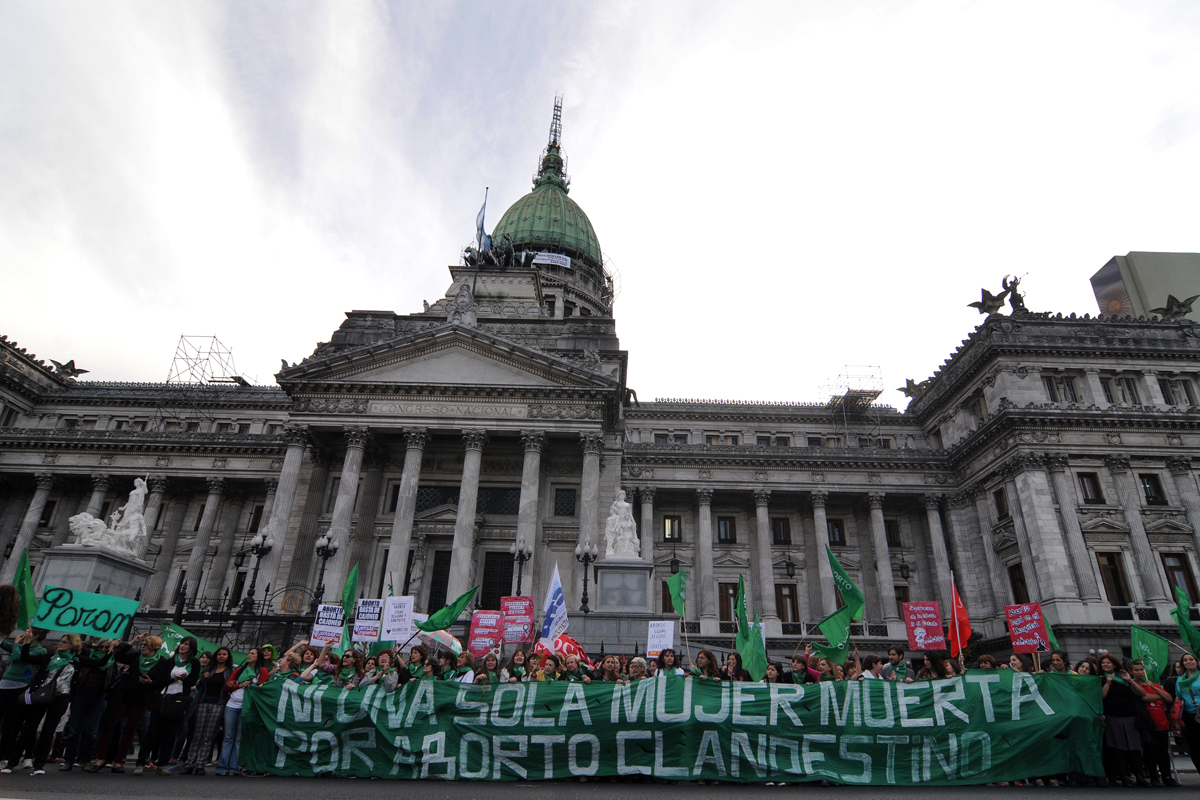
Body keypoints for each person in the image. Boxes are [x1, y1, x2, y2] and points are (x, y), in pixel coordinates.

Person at [88, 633, 164, 773]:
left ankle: (118, 761)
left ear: (154, 647)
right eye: (142, 644)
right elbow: (118, 656)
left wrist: (150, 682)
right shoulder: (136, 656)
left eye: (145, 645)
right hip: (124, 694)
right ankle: (102, 758)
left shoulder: (161, 661)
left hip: (142, 698)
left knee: (130, 729)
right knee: (110, 724)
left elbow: (162, 681)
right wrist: (132, 642)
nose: (142, 647)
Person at [12, 633, 80, 775]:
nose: (60, 643)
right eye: (60, 641)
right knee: (29, 728)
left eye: (64, 642)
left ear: (72, 645)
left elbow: (101, 662)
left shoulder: (76, 660)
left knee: (48, 732)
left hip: (61, 698)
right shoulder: (49, 657)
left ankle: (39, 765)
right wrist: (26, 643)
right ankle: (12, 762)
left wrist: (112, 647)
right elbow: (27, 658)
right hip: (43, 696)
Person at [135, 635, 200, 775]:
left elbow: (193, 681)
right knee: (153, 731)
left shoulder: (194, 663)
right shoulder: (170, 661)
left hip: (179, 700)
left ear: (191, 648)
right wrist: (172, 679)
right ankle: (141, 762)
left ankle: (163, 763)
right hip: (163, 698)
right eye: (182, 643)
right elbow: (160, 680)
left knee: (170, 733)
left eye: (186, 644)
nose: (183, 646)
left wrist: (184, 679)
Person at [0, 626, 51, 770]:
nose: (25, 633)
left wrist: (17, 644)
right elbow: (4, 644)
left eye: (29, 632)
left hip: (20, 687)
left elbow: (19, 656)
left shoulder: (39, 650)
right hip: (5, 685)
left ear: (35, 636)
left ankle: (4, 757)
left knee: (9, 724)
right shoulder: (20, 646)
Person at [61, 638, 116, 770]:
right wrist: (93, 644)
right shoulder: (87, 656)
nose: (102, 650)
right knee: (74, 730)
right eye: (100, 647)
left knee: (92, 731)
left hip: (98, 697)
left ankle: (86, 760)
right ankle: (69, 759)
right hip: (81, 694)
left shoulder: (110, 660)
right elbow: (81, 643)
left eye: (105, 647)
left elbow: (125, 647)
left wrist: (114, 646)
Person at [1099, 652, 1149, 787]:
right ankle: (1124, 776)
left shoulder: (1124, 678)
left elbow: (1142, 693)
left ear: (1114, 664)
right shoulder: (1101, 679)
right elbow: (1101, 697)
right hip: (1113, 718)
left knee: (1135, 749)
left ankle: (1139, 776)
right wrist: (1108, 684)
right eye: (1103, 663)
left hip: (1130, 717)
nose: (1105, 665)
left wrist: (1129, 680)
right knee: (1118, 749)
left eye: (1108, 662)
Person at [181, 647, 233, 775]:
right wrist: (203, 678)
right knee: (197, 734)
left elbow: (229, 688)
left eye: (224, 654)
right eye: (219, 654)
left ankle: (201, 764)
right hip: (203, 703)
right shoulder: (209, 670)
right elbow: (198, 686)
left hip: (218, 704)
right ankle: (189, 763)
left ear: (227, 657)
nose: (221, 656)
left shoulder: (229, 672)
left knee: (208, 736)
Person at [217, 647, 266, 776]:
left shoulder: (262, 670)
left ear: (258, 657)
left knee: (239, 738)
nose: (249, 655)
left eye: (252, 653)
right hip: (232, 705)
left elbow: (263, 688)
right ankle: (222, 767)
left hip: (247, 707)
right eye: (249, 653)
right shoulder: (239, 670)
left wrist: (257, 686)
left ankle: (234, 767)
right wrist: (239, 685)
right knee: (228, 737)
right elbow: (227, 686)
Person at [1131, 659, 1176, 786]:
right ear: (1132, 672)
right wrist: (1159, 695)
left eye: (1141, 669)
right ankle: (1154, 776)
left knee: (1163, 752)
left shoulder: (1153, 684)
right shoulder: (1134, 684)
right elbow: (1144, 697)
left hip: (1162, 723)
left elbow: (1168, 698)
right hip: (1147, 724)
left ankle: (1167, 776)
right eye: (1137, 670)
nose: (1140, 672)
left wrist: (1155, 689)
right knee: (1150, 752)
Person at [1174, 652, 1200, 774]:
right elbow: (1178, 697)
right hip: (1188, 715)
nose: (1188, 661)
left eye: (1191, 659)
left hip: (1199, 711)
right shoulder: (1180, 678)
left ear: (1197, 661)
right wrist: (1174, 714)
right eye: (1185, 660)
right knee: (1194, 746)